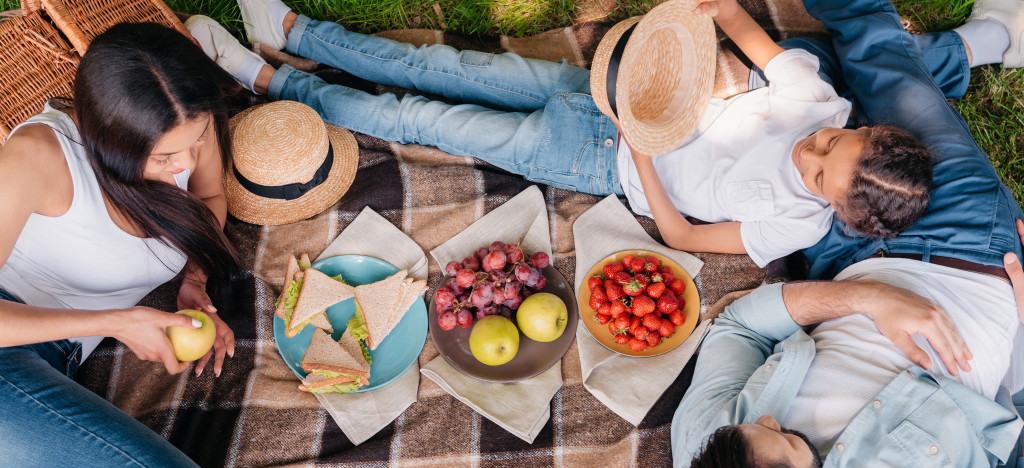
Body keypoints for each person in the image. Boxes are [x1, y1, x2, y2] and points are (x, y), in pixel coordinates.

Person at [671, 0, 1024, 468]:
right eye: (782, 436)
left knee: (808, 80)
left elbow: (739, 325)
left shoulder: (710, 455)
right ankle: (977, 44)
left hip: (844, 259)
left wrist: (867, 298)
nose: (763, 416)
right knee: (877, 64)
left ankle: (959, 50)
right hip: (972, 255)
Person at [186, 0, 932, 267]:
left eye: (820, 169)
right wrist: (694, 29)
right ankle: (292, 29)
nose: (814, 149)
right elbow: (734, 20)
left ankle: (270, 82)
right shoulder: (821, 103)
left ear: (832, 209)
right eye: (838, 142)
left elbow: (682, 237)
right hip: (612, 90)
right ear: (861, 129)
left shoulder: (794, 226)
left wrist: (639, 151)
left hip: (599, 156)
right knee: (439, 64)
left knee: (423, 121)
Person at [0, 23, 237, 468]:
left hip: (44, 373)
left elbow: (209, 194)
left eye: (194, 143)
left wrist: (195, 281)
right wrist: (119, 320)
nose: (182, 164)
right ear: (108, 136)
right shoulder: (38, 158)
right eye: (162, 158)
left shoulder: (187, 122)